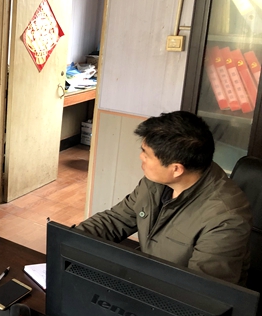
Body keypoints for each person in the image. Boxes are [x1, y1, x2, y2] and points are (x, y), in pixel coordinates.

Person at [76, 110, 251, 285]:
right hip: (147, 277)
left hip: (174, 292)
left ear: (176, 169)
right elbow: (115, 220)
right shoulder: (155, 183)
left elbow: (200, 291)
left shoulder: (225, 218)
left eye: (146, 154)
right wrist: (70, 239)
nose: (141, 157)